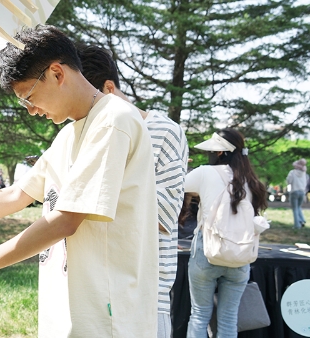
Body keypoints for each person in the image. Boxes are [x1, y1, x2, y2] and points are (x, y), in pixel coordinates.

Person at [0, 25, 159, 336]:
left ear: (56, 73)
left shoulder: (114, 120)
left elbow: (66, 220)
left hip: (106, 316)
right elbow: (15, 195)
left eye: (30, 97)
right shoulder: (68, 135)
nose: (33, 111)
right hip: (70, 311)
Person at [78, 44, 188, 338]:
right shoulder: (88, 134)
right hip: (94, 292)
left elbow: (162, 217)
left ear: (109, 89)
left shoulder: (165, 132)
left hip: (144, 295)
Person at [184, 129, 267, 337]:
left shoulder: (204, 173)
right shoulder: (251, 180)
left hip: (208, 252)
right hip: (240, 256)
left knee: (199, 315)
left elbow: (176, 185)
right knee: (229, 318)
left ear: (220, 152)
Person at [287, 158, 308, 228]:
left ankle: (297, 225)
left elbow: (289, 181)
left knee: (295, 208)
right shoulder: (304, 173)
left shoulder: (292, 172)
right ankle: (302, 220)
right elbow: (306, 183)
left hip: (294, 191)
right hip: (302, 192)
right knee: (299, 207)